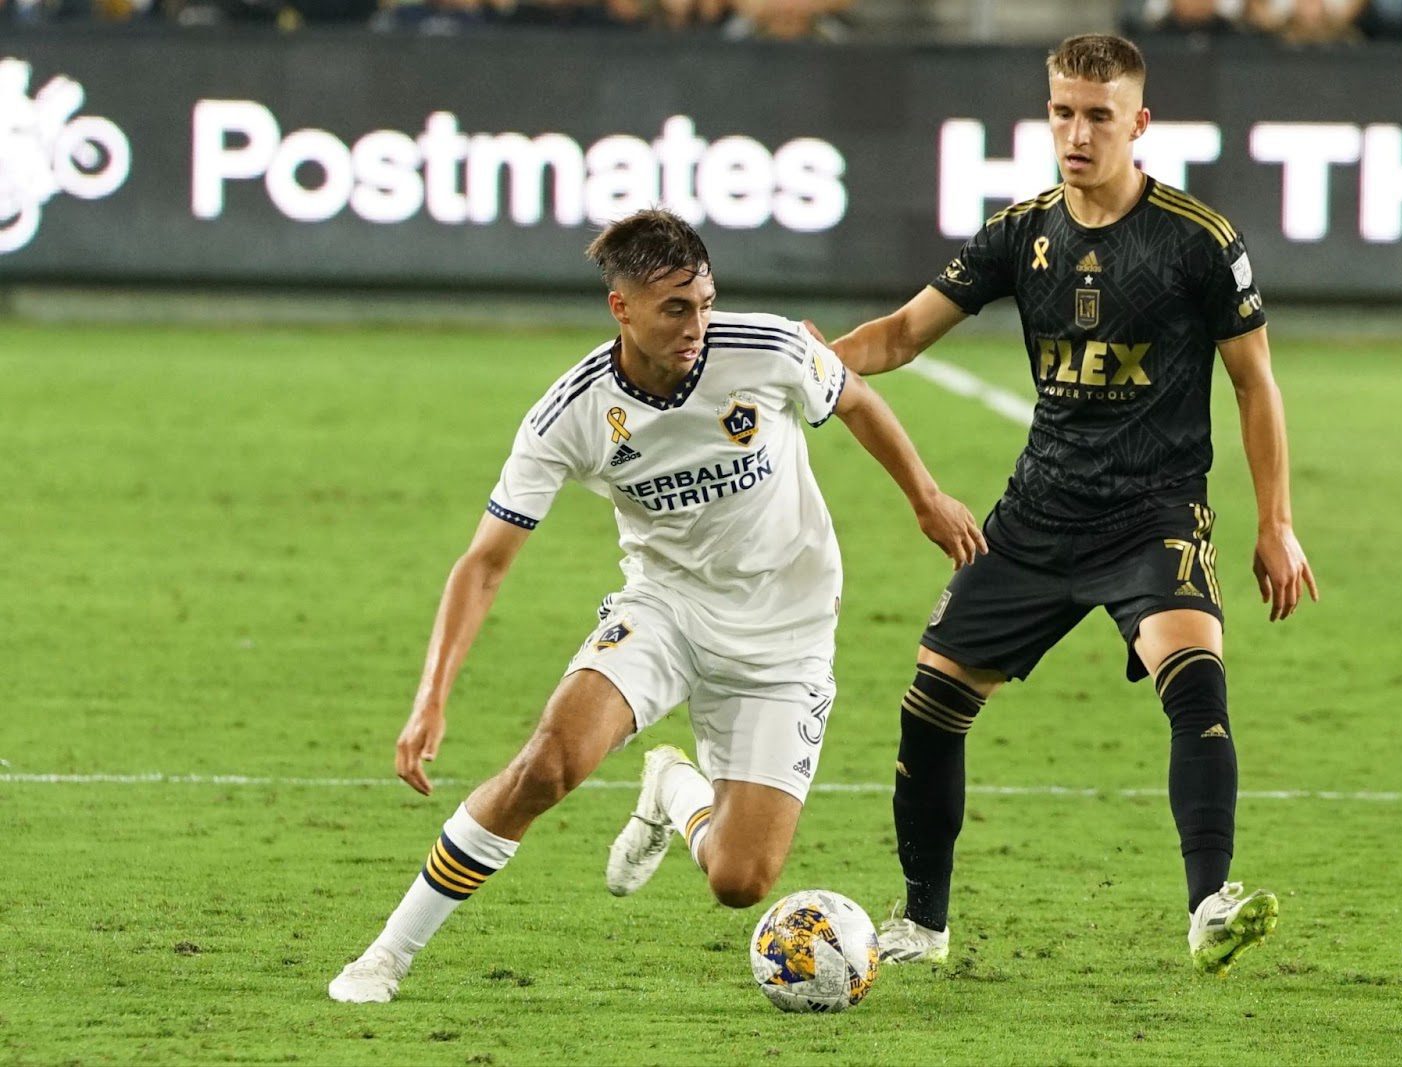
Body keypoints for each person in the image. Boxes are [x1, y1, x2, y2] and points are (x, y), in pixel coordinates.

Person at [328, 208, 984, 1003]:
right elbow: (484, 562)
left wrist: (925, 497)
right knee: (549, 762)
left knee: (740, 880)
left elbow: (855, 401)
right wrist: (430, 697)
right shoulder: (571, 412)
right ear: (623, 308)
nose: (697, 324)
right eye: (676, 308)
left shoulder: (767, 348)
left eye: (705, 302)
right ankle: (386, 954)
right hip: (666, 611)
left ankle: (671, 788)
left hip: (789, 634)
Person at [828, 33, 1318, 977]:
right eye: (1063, 112)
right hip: (1037, 517)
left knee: (1195, 682)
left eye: (1099, 115)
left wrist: (1276, 521)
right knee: (931, 706)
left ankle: (1210, 903)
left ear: (1140, 122)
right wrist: (809, 354)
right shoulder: (1021, 233)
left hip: (1154, 512)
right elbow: (898, 336)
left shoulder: (1198, 240)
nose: (1078, 132)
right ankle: (922, 924)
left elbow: (1256, 384)